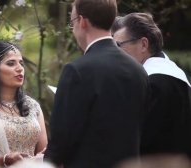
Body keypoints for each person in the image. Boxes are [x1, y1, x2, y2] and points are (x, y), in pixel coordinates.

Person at [44, 1, 149, 168]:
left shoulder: (77, 70)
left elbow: (61, 140)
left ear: (82, 21)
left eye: (72, 23)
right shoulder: (139, 70)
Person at [111, 12, 191, 157]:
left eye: (118, 45)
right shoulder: (172, 75)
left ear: (143, 44)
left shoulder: (156, 84)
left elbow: (139, 140)